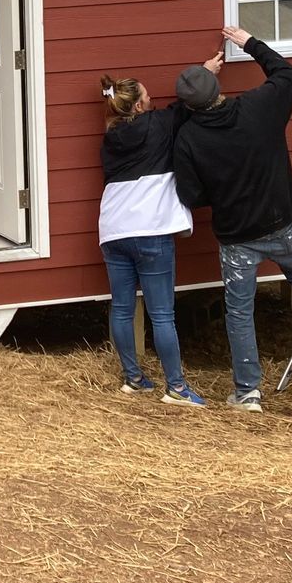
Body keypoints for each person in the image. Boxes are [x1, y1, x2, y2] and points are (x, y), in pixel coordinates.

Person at [171, 26, 292, 412]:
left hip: (237, 235)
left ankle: (248, 392)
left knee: (239, 309)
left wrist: (202, 82)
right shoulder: (257, 108)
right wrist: (249, 43)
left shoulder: (188, 139)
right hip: (279, 221)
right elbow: (287, 74)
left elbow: (191, 196)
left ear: (191, 105)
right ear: (217, 93)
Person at [96, 65, 217, 407]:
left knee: (122, 308)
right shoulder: (159, 124)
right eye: (148, 96)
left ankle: (133, 379)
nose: (153, 99)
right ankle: (176, 388)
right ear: (137, 106)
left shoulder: (109, 139)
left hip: (113, 230)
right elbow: (186, 105)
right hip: (150, 230)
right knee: (162, 314)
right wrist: (205, 71)